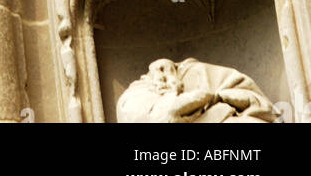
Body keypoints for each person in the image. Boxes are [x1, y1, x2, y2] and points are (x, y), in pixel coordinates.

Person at [118, 58, 278, 124]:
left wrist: (217, 98)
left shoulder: (196, 71)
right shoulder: (135, 96)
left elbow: (248, 94)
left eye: (164, 71)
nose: (162, 79)